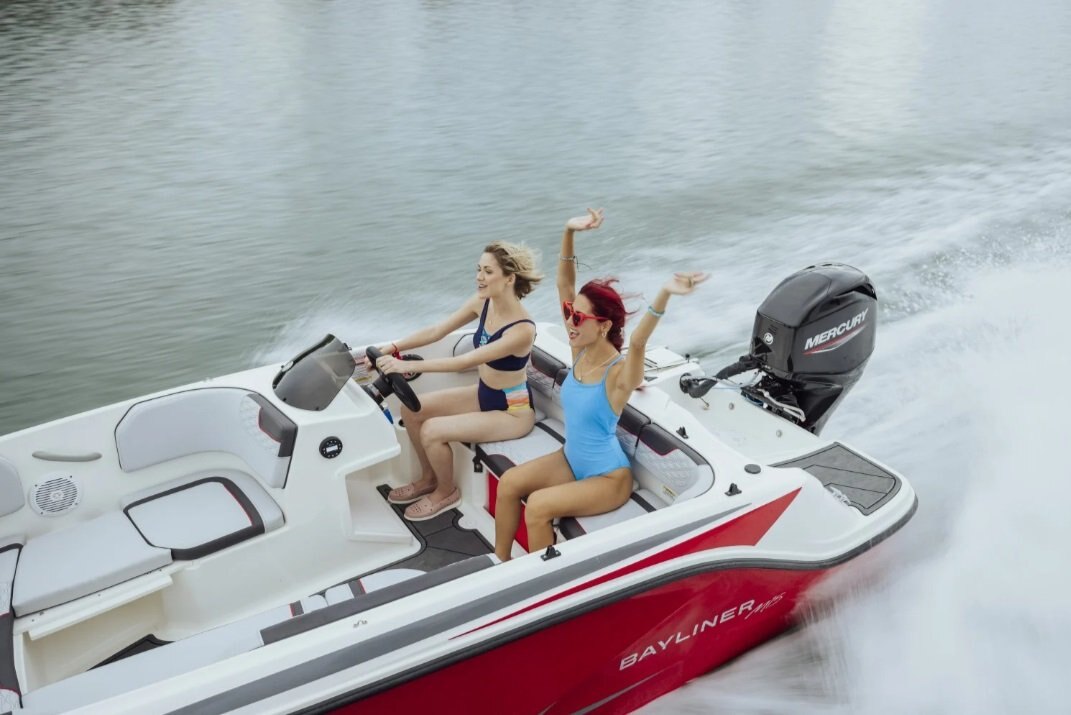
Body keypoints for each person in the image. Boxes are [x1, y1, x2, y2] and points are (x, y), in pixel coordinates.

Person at [493, 209, 707, 560]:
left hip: (609, 479)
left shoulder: (619, 375)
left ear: (604, 326)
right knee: (510, 483)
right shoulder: (579, 349)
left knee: (538, 506)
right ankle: (501, 562)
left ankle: (544, 584)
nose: (569, 321)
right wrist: (568, 232)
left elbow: (637, 341)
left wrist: (665, 295)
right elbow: (564, 285)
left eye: (578, 317)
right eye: (569, 313)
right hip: (571, 458)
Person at [371, 241, 542, 521]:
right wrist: (393, 347)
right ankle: (428, 479)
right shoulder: (483, 303)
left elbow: (466, 361)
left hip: (513, 411)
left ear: (510, 278)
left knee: (432, 430)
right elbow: (437, 331)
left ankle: (446, 492)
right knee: (411, 410)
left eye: (488, 271)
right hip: (484, 393)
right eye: (478, 269)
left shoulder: (522, 329)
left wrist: (407, 365)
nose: (479, 277)